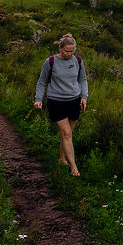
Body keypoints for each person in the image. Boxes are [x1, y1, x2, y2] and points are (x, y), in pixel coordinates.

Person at [34, 33, 89, 176]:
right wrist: (38, 99)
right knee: (66, 133)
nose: (69, 54)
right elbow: (42, 82)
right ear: (60, 48)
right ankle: (74, 167)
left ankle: (61, 158)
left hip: (74, 101)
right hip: (56, 101)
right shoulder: (51, 61)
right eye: (66, 51)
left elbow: (82, 79)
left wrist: (84, 97)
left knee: (67, 134)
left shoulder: (77, 60)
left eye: (72, 51)